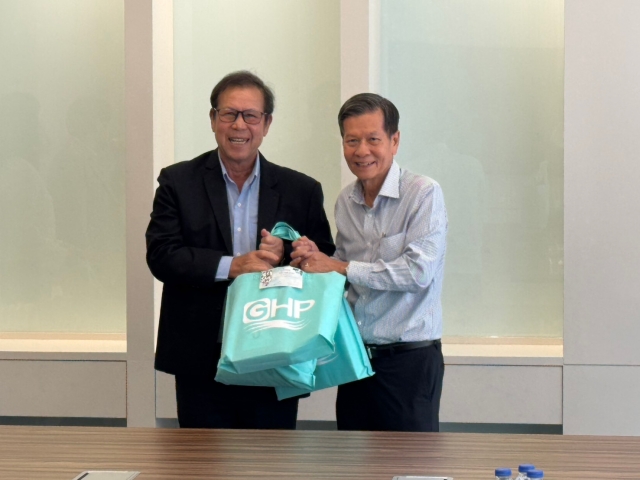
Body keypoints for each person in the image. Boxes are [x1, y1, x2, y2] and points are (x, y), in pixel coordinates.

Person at [146, 71, 334, 429]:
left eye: (251, 115)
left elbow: (322, 263)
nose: (239, 125)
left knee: (270, 456)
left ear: (266, 124)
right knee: (201, 458)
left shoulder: (301, 190)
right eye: (229, 114)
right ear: (213, 119)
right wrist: (233, 266)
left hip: (275, 351)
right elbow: (161, 255)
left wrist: (291, 254)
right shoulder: (178, 182)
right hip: (201, 355)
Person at [291, 93, 447, 432]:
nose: (362, 151)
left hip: (409, 362)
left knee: (409, 460)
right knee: (353, 456)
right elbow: (344, 269)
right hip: (355, 358)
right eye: (352, 141)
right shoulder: (345, 201)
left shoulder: (423, 193)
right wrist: (316, 257)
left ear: (394, 141)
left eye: (373, 139)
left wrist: (340, 267)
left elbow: (418, 272)